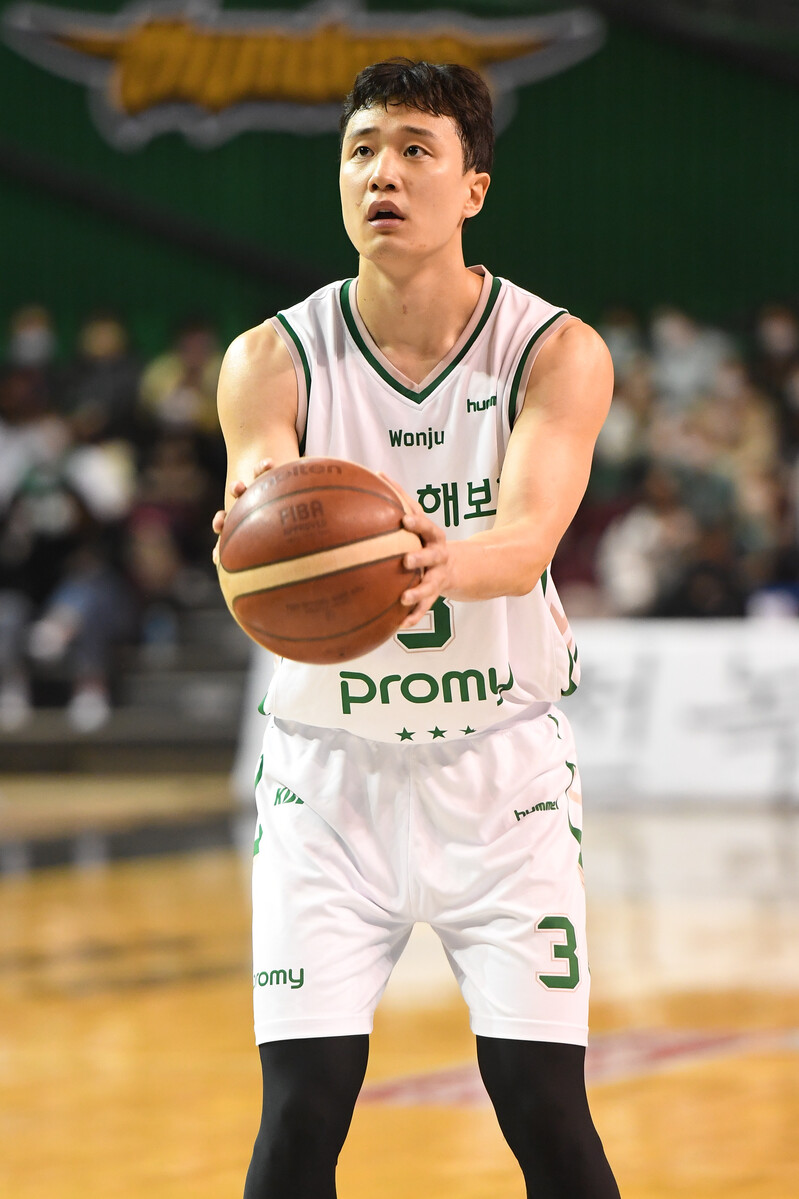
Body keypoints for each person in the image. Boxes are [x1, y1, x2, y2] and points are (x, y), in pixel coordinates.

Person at [213, 59, 619, 1199]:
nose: (380, 173)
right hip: (326, 785)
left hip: (502, 783)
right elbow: (258, 492)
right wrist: (251, 532)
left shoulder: (553, 351)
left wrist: (429, 562)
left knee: (543, 1103)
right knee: (301, 1108)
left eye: (412, 150)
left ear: (473, 186)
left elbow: (526, 538)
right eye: (360, 150)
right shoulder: (269, 357)